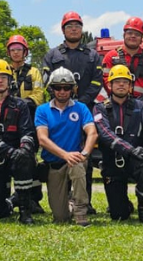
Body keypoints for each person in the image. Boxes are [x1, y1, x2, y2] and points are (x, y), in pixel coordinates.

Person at [42, 11, 103, 215]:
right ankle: (63, 198)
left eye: (77, 26)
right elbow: (45, 81)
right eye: (69, 26)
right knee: (61, 151)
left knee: (84, 158)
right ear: (63, 30)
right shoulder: (52, 55)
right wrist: (64, 100)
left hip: (83, 109)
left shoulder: (92, 55)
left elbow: (97, 82)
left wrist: (79, 104)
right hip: (58, 110)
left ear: (82, 29)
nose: (74, 29)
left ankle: (84, 202)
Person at [94, 65, 143, 224]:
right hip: (113, 162)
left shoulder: (141, 107)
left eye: (125, 82)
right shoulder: (100, 108)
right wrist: (130, 150)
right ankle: (124, 205)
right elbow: (105, 134)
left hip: (136, 159)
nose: (121, 85)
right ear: (109, 85)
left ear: (131, 86)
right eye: (117, 82)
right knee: (119, 215)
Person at [35, 67, 98, 226]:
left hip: (75, 160)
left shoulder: (81, 108)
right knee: (60, 217)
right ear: (51, 89)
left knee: (76, 163)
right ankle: (69, 204)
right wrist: (65, 155)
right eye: (58, 88)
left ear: (73, 89)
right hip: (54, 164)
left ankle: (80, 212)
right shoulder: (42, 110)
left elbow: (92, 133)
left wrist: (83, 154)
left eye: (67, 88)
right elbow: (42, 139)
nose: (62, 91)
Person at [0, 59, 38, 224]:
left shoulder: (20, 105)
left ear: (9, 80)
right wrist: (9, 152)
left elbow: (27, 131)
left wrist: (24, 149)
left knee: (26, 158)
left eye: (3, 77)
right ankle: (12, 201)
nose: (0, 80)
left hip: (16, 158)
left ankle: (25, 211)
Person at [6, 34, 46, 214]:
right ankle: (11, 196)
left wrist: (19, 103)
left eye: (19, 50)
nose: (16, 53)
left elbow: (39, 96)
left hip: (28, 120)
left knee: (30, 158)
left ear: (25, 52)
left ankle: (34, 199)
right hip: (7, 121)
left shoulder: (33, 72)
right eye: (13, 49)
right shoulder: (3, 71)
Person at [101, 17, 143, 109]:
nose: (133, 36)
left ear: (141, 38)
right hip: (116, 104)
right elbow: (105, 79)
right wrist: (118, 96)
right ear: (124, 35)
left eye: (137, 34)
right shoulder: (111, 56)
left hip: (141, 106)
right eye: (130, 33)